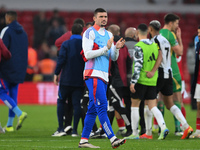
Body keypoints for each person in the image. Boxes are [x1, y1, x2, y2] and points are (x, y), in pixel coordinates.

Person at [78, 8, 126, 149]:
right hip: (93, 74)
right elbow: (87, 54)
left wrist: (116, 48)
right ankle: (112, 138)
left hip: (104, 75)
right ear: (94, 18)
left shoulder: (109, 34)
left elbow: (113, 57)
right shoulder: (89, 33)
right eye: (101, 17)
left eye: (105, 16)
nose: (104, 19)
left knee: (93, 109)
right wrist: (106, 48)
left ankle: (84, 140)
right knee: (102, 106)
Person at [125, 23, 169, 140]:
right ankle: (163, 126)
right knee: (152, 106)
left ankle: (135, 133)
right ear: (148, 32)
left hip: (141, 80)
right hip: (152, 80)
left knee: (134, 105)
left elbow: (138, 65)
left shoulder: (139, 46)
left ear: (137, 33)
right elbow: (160, 56)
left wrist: (133, 81)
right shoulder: (154, 44)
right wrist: (153, 71)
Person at [158, 14, 193, 138]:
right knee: (177, 99)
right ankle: (179, 128)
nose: (177, 26)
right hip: (173, 70)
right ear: (171, 23)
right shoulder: (170, 34)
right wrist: (179, 37)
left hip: (160, 70)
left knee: (160, 99)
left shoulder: (158, 32)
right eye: (177, 23)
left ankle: (159, 127)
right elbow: (180, 52)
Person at [52, 23, 85, 137]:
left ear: (71, 32)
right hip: (79, 80)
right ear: (82, 33)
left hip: (66, 79)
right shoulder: (85, 45)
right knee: (77, 105)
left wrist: (56, 73)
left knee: (61, 102)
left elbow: (61, 60)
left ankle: (61, 129)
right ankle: (75, 131)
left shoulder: (66, 44)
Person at [0, 11, 28, 132]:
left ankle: (19, 113)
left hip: (6, 68)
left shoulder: (6, 31)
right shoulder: (24, 33)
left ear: (8, 18)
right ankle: (10, 125)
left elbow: (2, 49)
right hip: (20, 68)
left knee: (1, 92)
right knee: (13, 94)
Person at [107, 24, 132, 137]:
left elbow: (110, 63)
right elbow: (129, 62)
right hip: (123, 80)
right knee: (111, 105)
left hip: (114, 80)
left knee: (117, 105)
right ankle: (106, 130)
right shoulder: (124, 45)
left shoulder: (112, 45)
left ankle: (130, 128)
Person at [124, 27, 146, 135]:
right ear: (134, 36)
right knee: (140, 104)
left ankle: (130, 129)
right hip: (138, 79)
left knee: (128, 105)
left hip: (124, 79)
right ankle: (143, 128)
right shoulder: (140, 46)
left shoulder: (122, 46)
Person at [189, 26, 200, 138]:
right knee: (198, 104)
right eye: (198, 33)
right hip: (199, 80)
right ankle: (198, 130)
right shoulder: (198, 46)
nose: (199, 36)